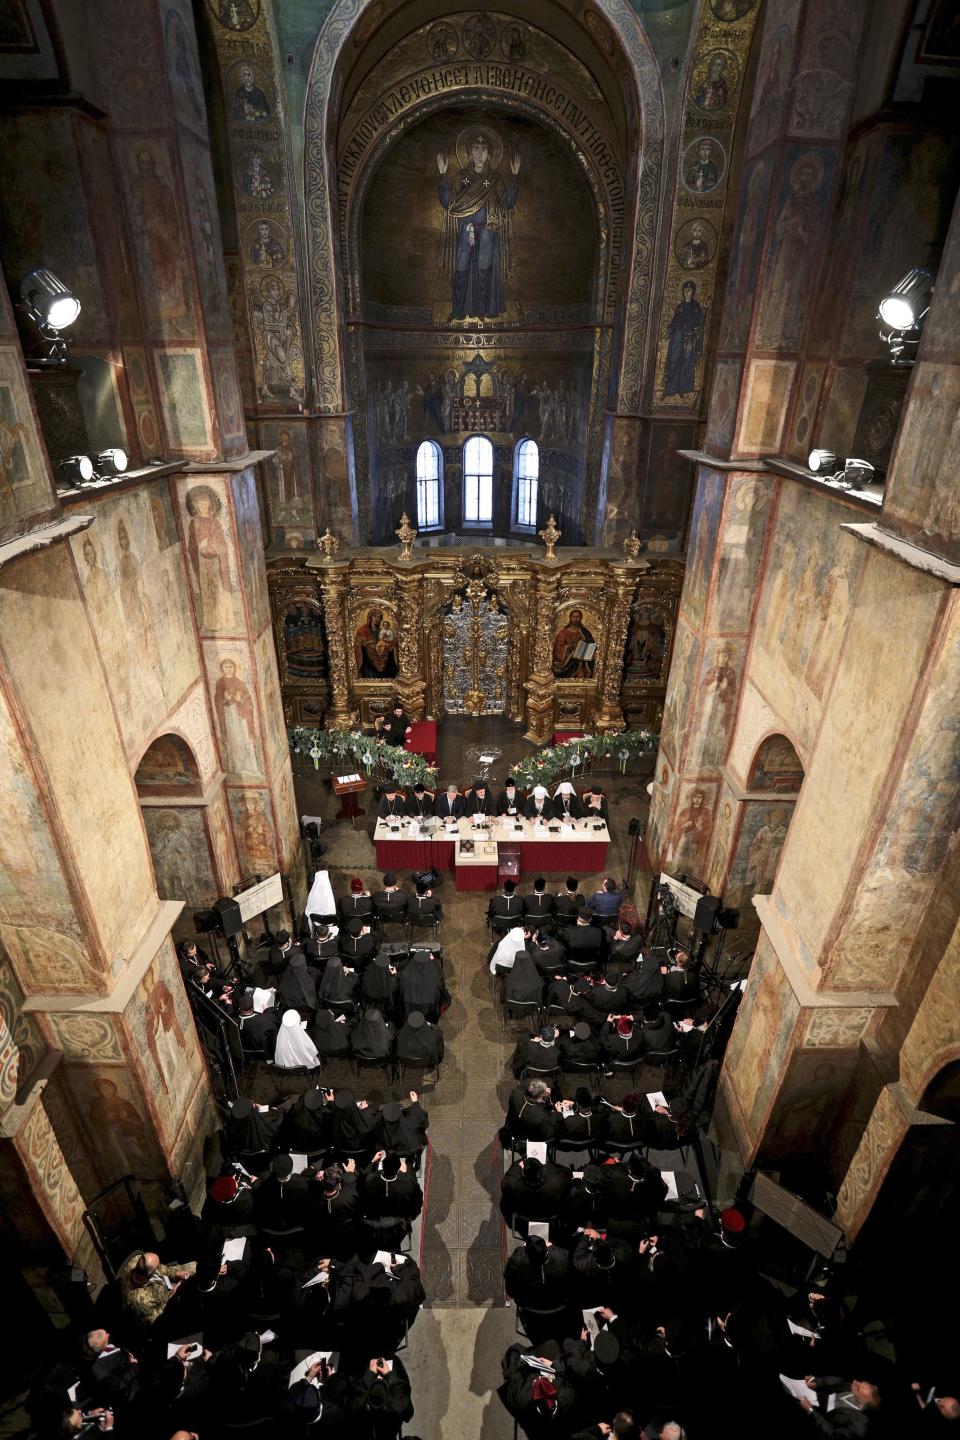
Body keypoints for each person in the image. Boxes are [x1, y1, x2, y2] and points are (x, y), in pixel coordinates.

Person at [118, 1252, 195, 1329]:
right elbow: (157, 1320)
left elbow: (161, 1269)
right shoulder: (141, 1302)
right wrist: (172, 1297)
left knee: (194, 1266)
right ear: (149, 1275)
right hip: (168, 1302)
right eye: (156, 1267)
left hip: (167, 1280)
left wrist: (174, 1274)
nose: (159, 1266)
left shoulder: (139, 1259)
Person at [500, 1156, 571, 1228]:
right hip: (550, 1214)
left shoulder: (513, 1183)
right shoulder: (556, 1180)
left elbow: (504, 1185)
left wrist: (518, 1166)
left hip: (524, 1214)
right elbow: (568, 1175)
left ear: (523, 1174)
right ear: (542, 1170)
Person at [398, 947, 448, 1021]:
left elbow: (401, 992)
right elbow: (441, 988)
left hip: (410, 1010)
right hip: (429, 1010)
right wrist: (433, 960)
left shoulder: (405, 975)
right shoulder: (435, 974)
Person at [504, 1078, 559, 1143]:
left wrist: (542, 1091)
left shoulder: (516, 1092)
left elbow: (525, 1088)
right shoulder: (540, 1116)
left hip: (510, 1126)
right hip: (526, 1136)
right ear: (539, 1099)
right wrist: (558, 1112)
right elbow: (548, 1133)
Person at [236, 991, 279, 1057]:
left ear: (239, 1008)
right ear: (253, 1007)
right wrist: (267, 1010)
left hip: (243, 1056)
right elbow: (274, 1020)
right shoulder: (265, 1019)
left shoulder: (232, 1022)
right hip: (264, 1056)